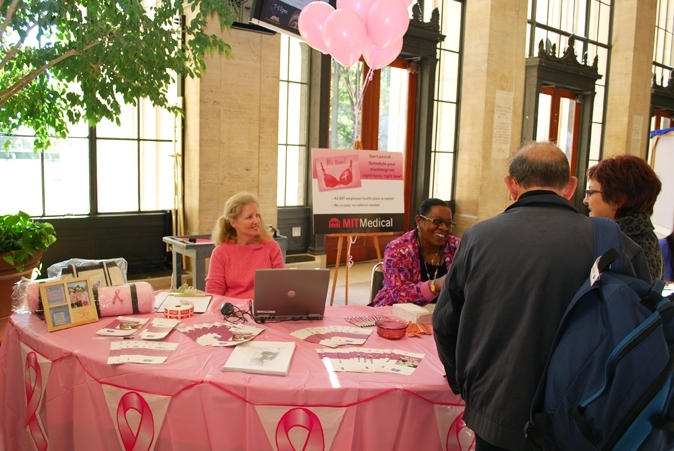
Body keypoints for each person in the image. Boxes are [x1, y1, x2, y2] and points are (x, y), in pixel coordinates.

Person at [432, 141, 652, 451]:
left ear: (511, 185)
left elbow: (445, 323)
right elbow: (642, 326)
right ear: (570, 187)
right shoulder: (611, 240)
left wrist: (466, 387)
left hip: (498, 409)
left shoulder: (478, 237)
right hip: (584, 414)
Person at [585, 154, 663, 279]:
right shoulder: (646, 236)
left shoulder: (619, 244)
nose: (585, 200)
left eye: (591, 192)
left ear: (618, 200)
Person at [371, 198, 460, 307]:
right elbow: (398, 293)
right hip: (397, 314)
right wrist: (434, 285)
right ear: (419, 221)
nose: (444, 228)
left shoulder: (456, 246)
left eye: (448, 223)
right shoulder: (398, 249)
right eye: (437, 221)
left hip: (443, 316)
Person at [205, 192, 284, 298]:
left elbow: (281, 285)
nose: (256, 221)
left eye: (257, 215)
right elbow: (214, 292)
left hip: (265, 310)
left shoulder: (271, 247)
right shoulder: (221, 252)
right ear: (233, 222)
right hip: (231, 311)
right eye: (249, 217)